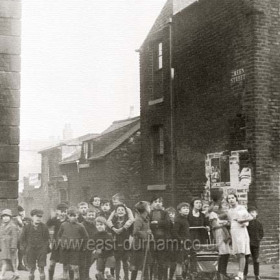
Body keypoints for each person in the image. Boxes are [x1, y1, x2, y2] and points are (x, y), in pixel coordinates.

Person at [57, 206, 89, 280]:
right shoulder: (63, 225)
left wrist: (83, 246)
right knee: (65, 266)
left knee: (75, 267)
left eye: (74, 216)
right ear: (67, 216)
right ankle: (65, 277)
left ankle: (76, 277)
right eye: (70, 216)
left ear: (77, 215)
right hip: (65, 249)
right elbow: (59, 235)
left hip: (75, 249)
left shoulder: (80, 226)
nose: (72, 218)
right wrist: (61, 243)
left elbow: (86, 237)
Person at [227, 193, 253, 280]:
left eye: (232, 198)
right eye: (229, 198)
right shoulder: (229, 211)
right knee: (238, 254)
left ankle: (240, 274)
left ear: (236, 198)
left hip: (241, 232)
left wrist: (241, 220)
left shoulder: (241, 208)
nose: (231, 200)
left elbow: (250, 218)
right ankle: (240, 273)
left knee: (242, 253)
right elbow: (231, 222)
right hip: (234, 232)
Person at [20, 209, 50, 280]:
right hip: (30, 250)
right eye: (37, 216)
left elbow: (47, 239)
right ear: (32, 217)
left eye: (40, 217)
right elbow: (22, 239)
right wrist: (26, 248)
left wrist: (44, 248)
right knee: (31, 269)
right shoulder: (26, 227)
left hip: (41, 250)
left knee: (41, 268)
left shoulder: (44, 227)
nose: (38, 218)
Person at [149, 196, 170, 280]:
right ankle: (151, 277)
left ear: (162, 203)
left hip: (162, 239)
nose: (158, 203)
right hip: (152, 239)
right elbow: (147, 224)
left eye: (160, 202)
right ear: (152, 203)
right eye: (156, 201)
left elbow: (168, 223)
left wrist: (158, 222)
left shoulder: (165, 213)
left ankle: (162, 277)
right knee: (152, 260)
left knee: (162, 260)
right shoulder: (149, 213)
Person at [208, 202, 231, 280]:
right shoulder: (212, 214)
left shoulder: (217, 215)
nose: (216, 207)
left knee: (226, 253)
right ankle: (220, 273)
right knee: (222, 253)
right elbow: (215, 225)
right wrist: (224, 224)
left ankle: (224, 272)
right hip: (218, 233)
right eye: (214, 205)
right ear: (210, 206)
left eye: (217, 205)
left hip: (222, 232)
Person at [130, 201, 152, 280]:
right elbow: (135, 232)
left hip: (145, 246)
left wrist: (150, 234)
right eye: (148, 207)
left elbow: (148, 231)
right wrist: (146, 234)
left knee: (146, 265)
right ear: (145, 209)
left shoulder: (146, 219)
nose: (150, 208)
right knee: (136, 266)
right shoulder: (138, 220)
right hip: (138, 247)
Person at [188, 197, 210, 274]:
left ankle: (201, 270)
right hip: (192, 236)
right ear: (193, 204)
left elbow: (206, 224)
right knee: (192, 253)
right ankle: (193, 271)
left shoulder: (202, 215)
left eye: (200, 203)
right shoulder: (189, 214)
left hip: (201, 236)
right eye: (197, 203)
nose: (199, 204)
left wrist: (207, 227)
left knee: (201, 252)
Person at [47, 203, 68, 280]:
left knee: (65, 264)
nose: (63, 213)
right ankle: (50, 278)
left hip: (66, 244)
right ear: (57, 211)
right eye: (61, 211)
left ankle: (65, 277)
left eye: (65, 211)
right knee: (52, 263)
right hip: (56, 245)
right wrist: (52, 216)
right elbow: (47, 225)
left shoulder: (68, 220)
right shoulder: (55, 220)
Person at [111, 204, 132, 280]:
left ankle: (126, 277)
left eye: (122, 210)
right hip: (116, 245)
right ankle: (117, 277)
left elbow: (131, 233)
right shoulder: (113, 223)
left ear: (125, 212)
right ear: (115, 213)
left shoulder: (128, 223)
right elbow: (111, 232)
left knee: (125, 262)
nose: (120, 211)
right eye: (118, 210)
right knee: (117, 262)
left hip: (125, 244)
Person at [244, 206, 264, 280]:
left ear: (256, 213)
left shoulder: (259, 223)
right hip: (247, 244)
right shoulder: (246, 223)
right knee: (245, 260)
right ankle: (244, 274)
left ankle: (257, 275)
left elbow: (261, 233)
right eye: (250, 212)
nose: (251, 214)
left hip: (255, 244)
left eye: (253, 212)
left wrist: (258, 239)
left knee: (256, 260)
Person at [172, 202, 191, 280]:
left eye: (187, 208)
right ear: (179, 211)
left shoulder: (185, 219)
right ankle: (178, 277)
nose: (186, 210)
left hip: (186, 242)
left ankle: (182, 276)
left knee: (184, 260)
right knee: (179, 261)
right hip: (180, 244)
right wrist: (181, 240)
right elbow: (174, 232)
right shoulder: (178, 220)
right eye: (184, 208)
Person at [0, 209, 19, 280]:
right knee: (4, 260)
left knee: (12, 261)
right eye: (3, 216)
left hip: (10, 246)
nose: (5, 218)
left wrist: (13, 246)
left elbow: (14, 237)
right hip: (3, 246)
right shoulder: (1, 226)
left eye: (7, 216)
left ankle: (2, 275)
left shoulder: (13, 226)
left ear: (10, 217)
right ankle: (15, 274)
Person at [81, 209, 98, 280]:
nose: (91, 217)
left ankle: (86, 276)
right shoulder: (82, 225)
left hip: (92, 246)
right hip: (84, 247)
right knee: (84, 263)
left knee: (89, 263)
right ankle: (83, 277)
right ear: (85, 216)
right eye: (89, 215)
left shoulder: (95, 225)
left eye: (92, 215)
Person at [13, 205, 27, 271]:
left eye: (23, 213)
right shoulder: (15, 218)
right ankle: (15, 266)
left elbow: (24, 225)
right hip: (14, 236)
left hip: (20, 237)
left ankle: (20, 265)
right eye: (21, 213)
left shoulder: (22, 218)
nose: (23, 215)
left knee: (22, 251)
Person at [165, 207, 177, 280]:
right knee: (166, 261)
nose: (171, 215)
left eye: (173, 213)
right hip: (166, 243)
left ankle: (170, 277)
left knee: (174, 261)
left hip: (175, 243)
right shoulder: (165, 223)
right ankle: (165, 277)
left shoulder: (176, 222)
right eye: (169, 214)